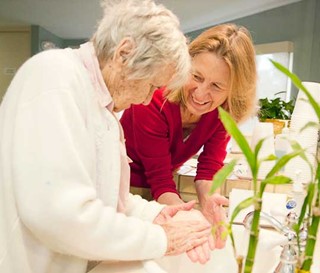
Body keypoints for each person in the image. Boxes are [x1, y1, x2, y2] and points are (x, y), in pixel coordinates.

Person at [0, 1, 213, 273]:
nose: (148, 99)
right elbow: (60, 215)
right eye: (151, 85)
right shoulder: (54, 77)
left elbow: (105, 198)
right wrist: (162, 238)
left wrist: (154, 214)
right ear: (123, 54)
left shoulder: (103, 109)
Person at [120, 23, 257, 252]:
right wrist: (189, 221)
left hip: (162, 195)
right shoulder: (153, 100)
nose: (201, 93)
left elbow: (208, 167)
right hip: (126, 192)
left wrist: (209, 199)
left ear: (232, 91)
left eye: (216, 86)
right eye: (197, 76)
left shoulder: (224, 112)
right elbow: (160, 180)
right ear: (184, 66)